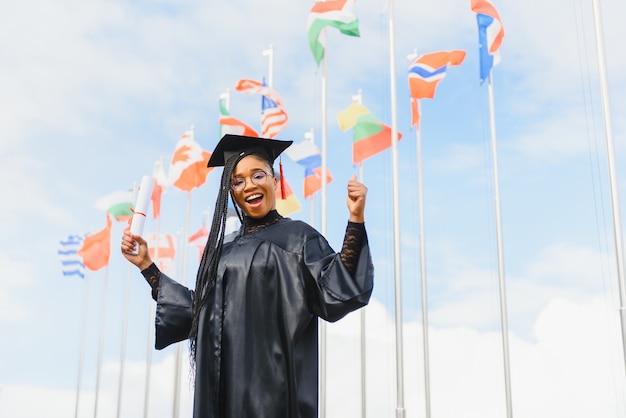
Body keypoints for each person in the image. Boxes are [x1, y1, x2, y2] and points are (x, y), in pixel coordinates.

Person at [121, 134, 374, 418]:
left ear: (275, 180)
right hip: (220, 394)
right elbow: (197, 312)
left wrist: (355, 220)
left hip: (273, 394)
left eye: (257, 175)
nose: (249, 186)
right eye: (238, 181)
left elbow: (338, 289)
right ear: (231, 191)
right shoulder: (222, 249)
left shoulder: (298, 239)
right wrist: (147, 266)